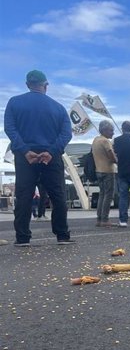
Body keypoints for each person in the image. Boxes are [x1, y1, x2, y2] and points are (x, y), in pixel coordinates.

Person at [4, 70, 73, 246]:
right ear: (46, 85)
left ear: (27, 84)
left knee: (24, 196)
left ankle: (22, 237)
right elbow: (66, 134)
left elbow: (10, 129)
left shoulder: (14, 103)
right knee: (57, 196)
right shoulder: (58, 107)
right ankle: (62, 235)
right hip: (51, 157)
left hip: (25, 157)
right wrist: (51, 152)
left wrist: (25, 151)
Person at [91, 120, 118, 227]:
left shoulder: (96, 140)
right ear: (105, 130)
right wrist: (116, 159)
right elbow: (111, 155)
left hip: (98, 170)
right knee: (108, 196)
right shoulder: (106, 141)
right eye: (111, 130)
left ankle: (99, 218)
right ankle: (105, 219)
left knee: (102, 195)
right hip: (108, 170)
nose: (113, 133)